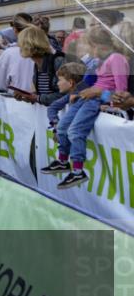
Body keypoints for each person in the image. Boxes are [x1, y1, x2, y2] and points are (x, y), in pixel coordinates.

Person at [40, 26, 129, 189]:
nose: (88, 51)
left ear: (100, 45)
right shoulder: (100, 61)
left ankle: (78, 170)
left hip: (94, 100)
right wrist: (79, 91)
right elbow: (90, 80)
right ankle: (62, 160)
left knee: (75, 131)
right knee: (62, 127)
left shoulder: (116, 59)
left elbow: (121, 91)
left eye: (90, 47)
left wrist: (105, 100)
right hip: (86, 97)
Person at [16, 25, 66, 106]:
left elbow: (65, 95)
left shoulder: (58, 60)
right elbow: (43, 94)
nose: (19, 47)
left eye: (20, 44)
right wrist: (28, 97)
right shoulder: (37, 64)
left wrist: (37, 98)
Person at [0, 14, 35, 92]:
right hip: (39, 100)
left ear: (15, 30)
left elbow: (1, 84)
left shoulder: (8, 53)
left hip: (15, 100)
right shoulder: (43, 49)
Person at [45, 63, 89, 132]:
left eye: (60, 80)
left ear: (70, 82)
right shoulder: (69, 95)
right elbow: (52, 107)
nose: (57, 83)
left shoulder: (86, 95)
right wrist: (56, 124)